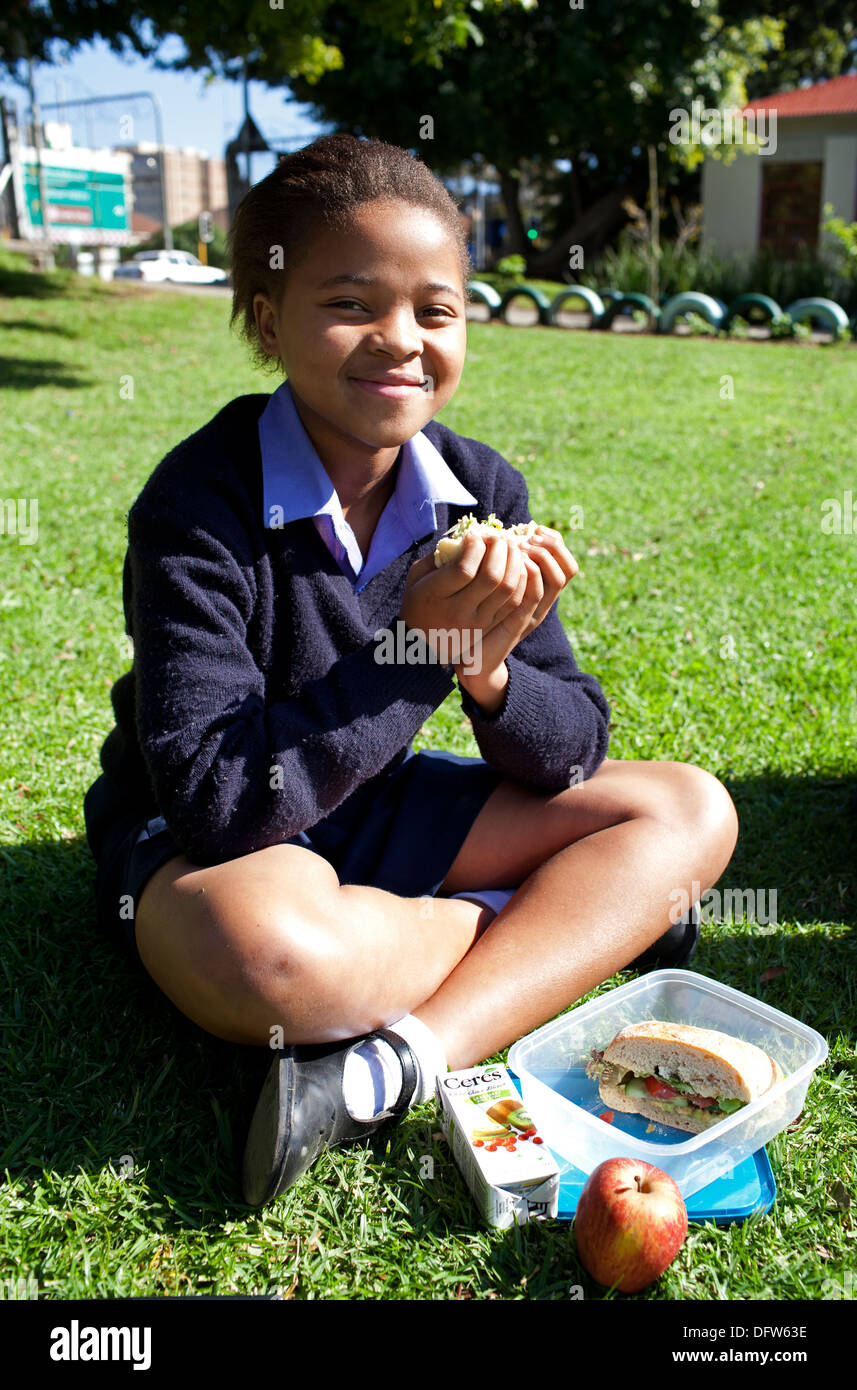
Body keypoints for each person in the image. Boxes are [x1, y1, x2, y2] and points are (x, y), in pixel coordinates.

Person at [82, 134, 737, 1207]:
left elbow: (571, 747)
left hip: (365, 799)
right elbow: (215, 799)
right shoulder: (198, 503)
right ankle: (561, 931)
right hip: (222, 837)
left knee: (686, 812)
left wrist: (485, 675)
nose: (401, 341)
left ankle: (388, 1067)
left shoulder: (479, 489)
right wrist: (420, 650)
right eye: (353, 303)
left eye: (436, 310)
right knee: (266, 958)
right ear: (266, 318)